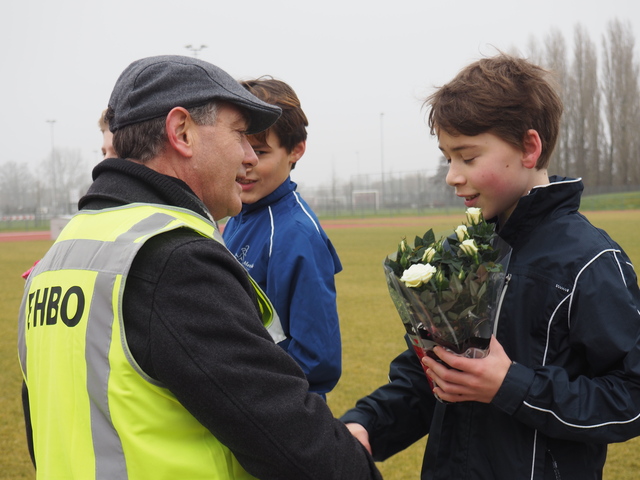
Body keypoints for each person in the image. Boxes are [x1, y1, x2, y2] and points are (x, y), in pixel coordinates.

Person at [18, 55, 381, 480]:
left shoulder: (60, 255)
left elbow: (43, 429)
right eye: (240, 134)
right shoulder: (173, 257)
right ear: (181, 132)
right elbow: (291, 440)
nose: (249, 156)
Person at [341, 53, 640, 479]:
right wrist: (367, 424)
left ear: (529, 148)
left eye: (467, 156)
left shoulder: (590, 262)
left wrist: (511, 386)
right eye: (447, 157)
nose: (452, 176)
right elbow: (430, 374)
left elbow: (629, 395)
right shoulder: (458, 253)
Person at [222, 77, 342, 398]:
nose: (245, 164)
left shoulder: (296, 235)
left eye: (260, 152)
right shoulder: (238, 212)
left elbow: (317, 360)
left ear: (296, 150)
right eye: (238, 149)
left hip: (273, 417)